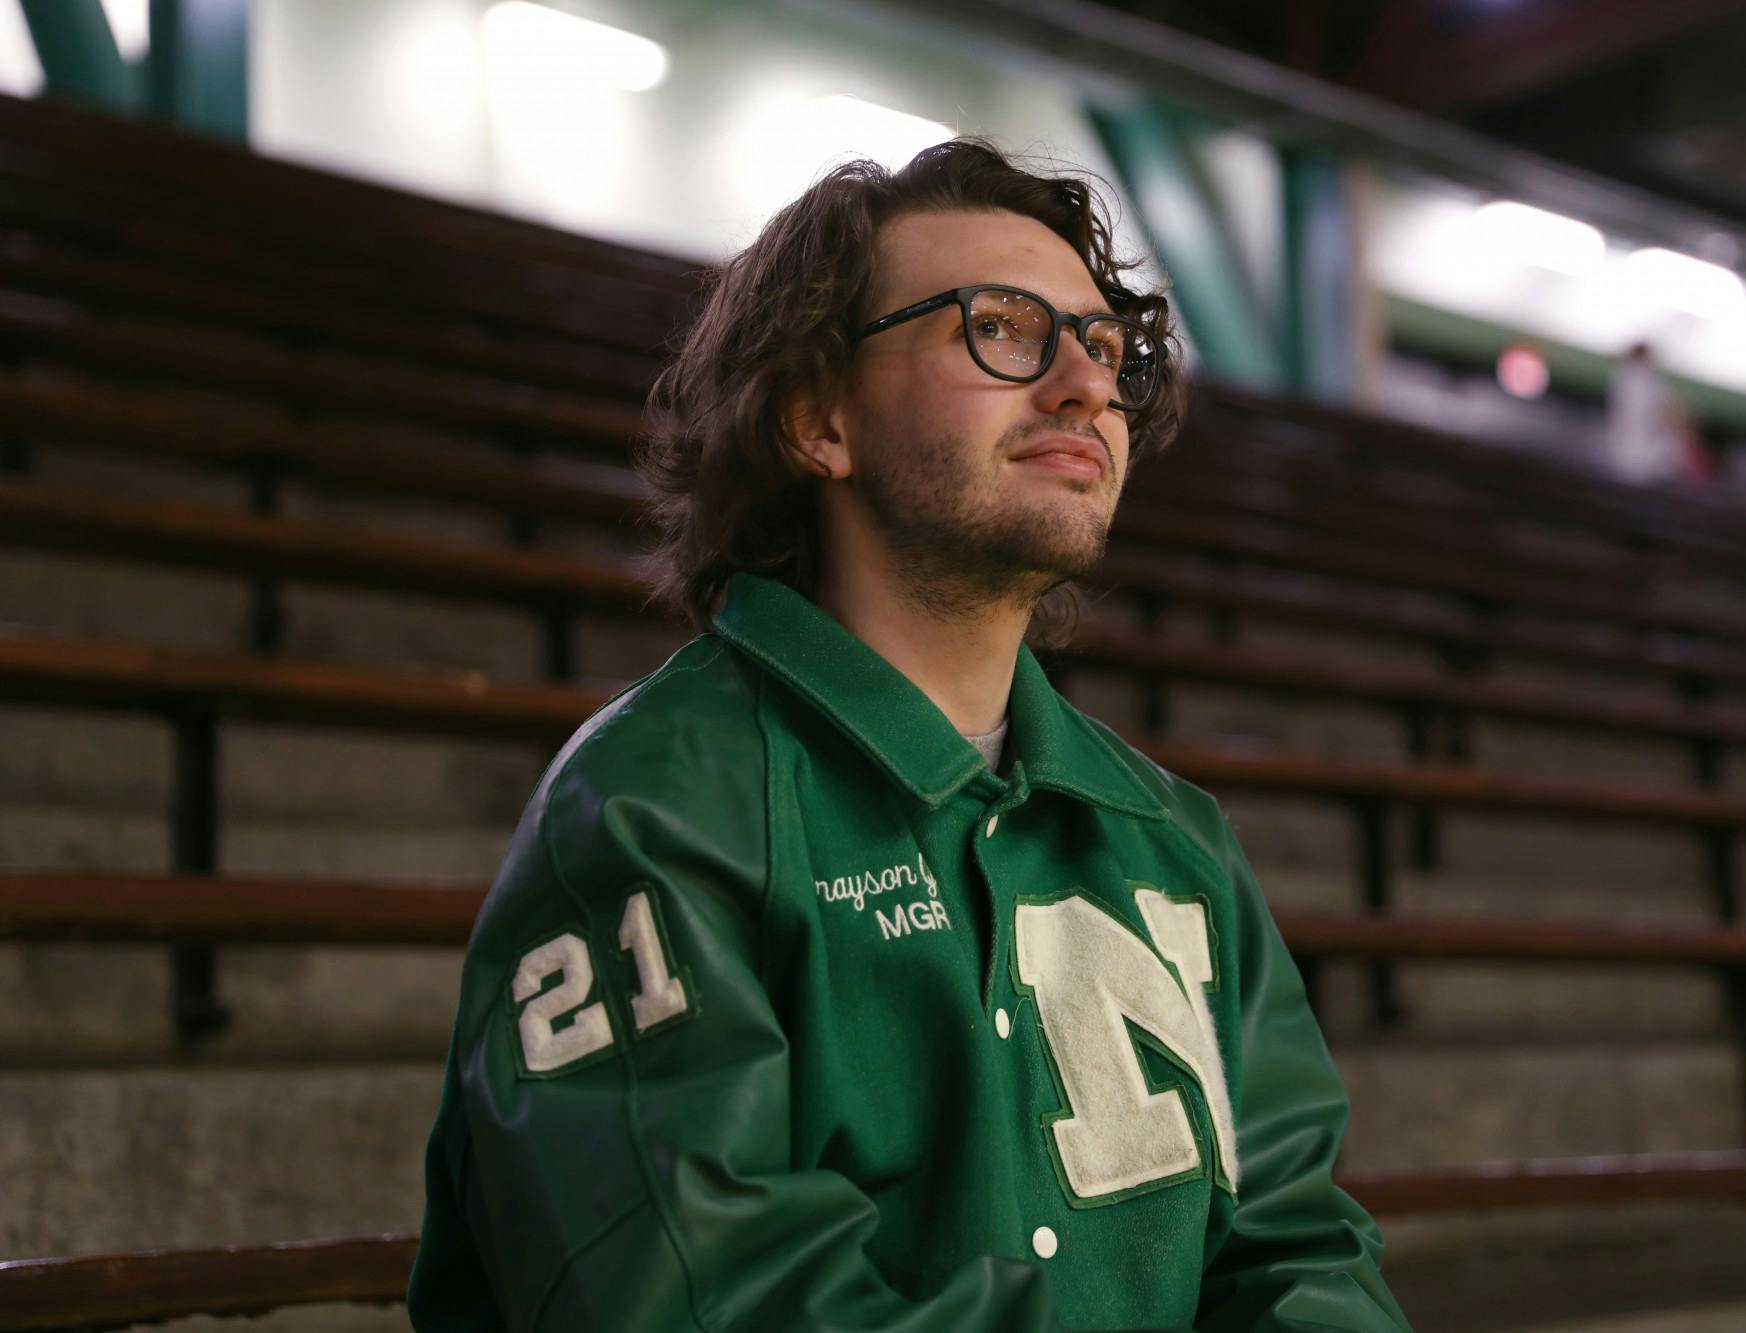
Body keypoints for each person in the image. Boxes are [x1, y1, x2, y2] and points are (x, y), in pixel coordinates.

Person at [406, 138, 1412, 1331]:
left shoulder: (1171, 836)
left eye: (1100, 343)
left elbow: (1297, 1245)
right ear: (816, 418)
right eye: (998, 325)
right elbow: (707, 1301)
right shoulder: (651, 807)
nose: (1084, 384)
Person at [1604, 341, 1685, 484]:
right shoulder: (1643, 382)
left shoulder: (1623, 377)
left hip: (1623, 451)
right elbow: (1665, 412)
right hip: (1638, 455)